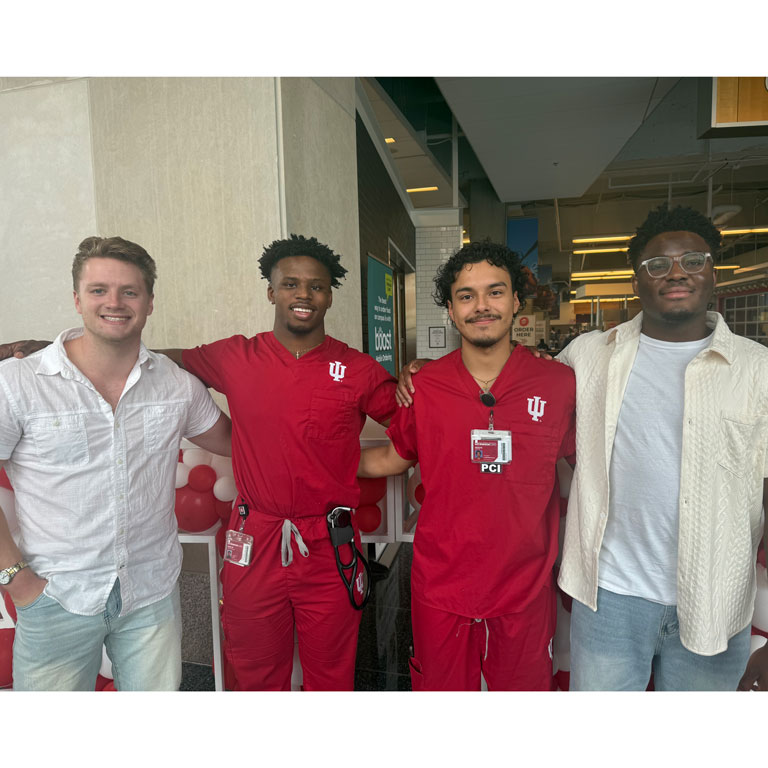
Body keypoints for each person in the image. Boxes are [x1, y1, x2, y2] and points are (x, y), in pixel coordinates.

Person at [163, 235, 397, 690]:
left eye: (316, 286)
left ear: (329, 296)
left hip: (331, 541)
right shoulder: (236, 357)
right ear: (271, 291)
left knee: (331, 677)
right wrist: (72, 350)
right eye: (290, 284)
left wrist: (421, 374)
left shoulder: (358, 370)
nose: (303, 295)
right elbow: (158, 361)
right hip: (254, 538)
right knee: (253, 672)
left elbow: (415, 428)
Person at [0, 236, 231, 691]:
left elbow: (241, 444)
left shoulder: (178, 386)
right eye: (99, 290)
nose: (115, 303)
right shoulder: (18, 383)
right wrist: (15, 580)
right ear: (76, 299)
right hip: (55, 596)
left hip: (152, 595)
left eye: (129, 291)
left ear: (148, 302)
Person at [556, 204, 768, 691]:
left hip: (716, 602)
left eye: (693, 260)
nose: (676, 273)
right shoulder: (590, 355)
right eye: (657, 264)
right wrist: (422, 376)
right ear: (637, 281)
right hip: (608, 597)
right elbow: (516, 382)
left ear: (713, 272)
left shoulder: (757, 371)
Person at [359, 241, 576, 691]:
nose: (482, 306)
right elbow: (392, 458)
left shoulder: (558, 383)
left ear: (516, 302)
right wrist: (308, 463)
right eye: (466, 296)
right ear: (452, 312)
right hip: (442, 585)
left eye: (495, 292)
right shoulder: (426, 386)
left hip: (525, 588)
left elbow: (592, 466)